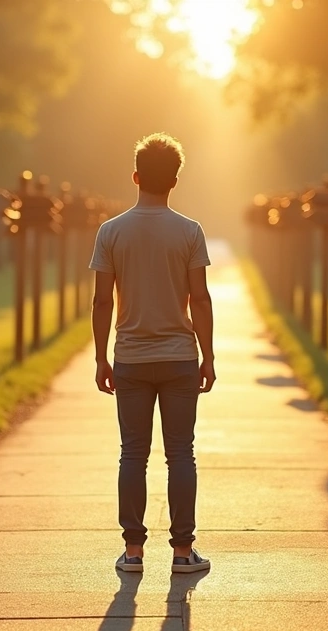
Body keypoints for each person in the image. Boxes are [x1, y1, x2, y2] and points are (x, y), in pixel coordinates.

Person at [90, 133, 216, 574]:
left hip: (131, 358)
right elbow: (199, 299)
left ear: (136, 176)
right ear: (176, 180)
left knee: (133, 453)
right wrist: (209, 355)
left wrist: (101, 357)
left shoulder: (111, 232)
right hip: (180, 356)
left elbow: (102, 301)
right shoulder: (189, 231)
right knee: (181, 453)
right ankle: (183, 552)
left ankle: (133, 552)